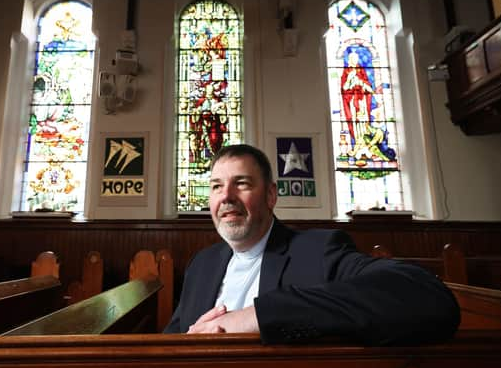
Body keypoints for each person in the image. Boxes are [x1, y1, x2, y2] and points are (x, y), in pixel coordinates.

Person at [164, 144, 460, 345]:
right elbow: (172, 338)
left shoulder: (316, 251)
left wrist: (257, 316)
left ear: (270, 195)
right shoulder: (201, 264)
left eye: (241, 183)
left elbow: (428, 296)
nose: (226, 196)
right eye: (216, 186)